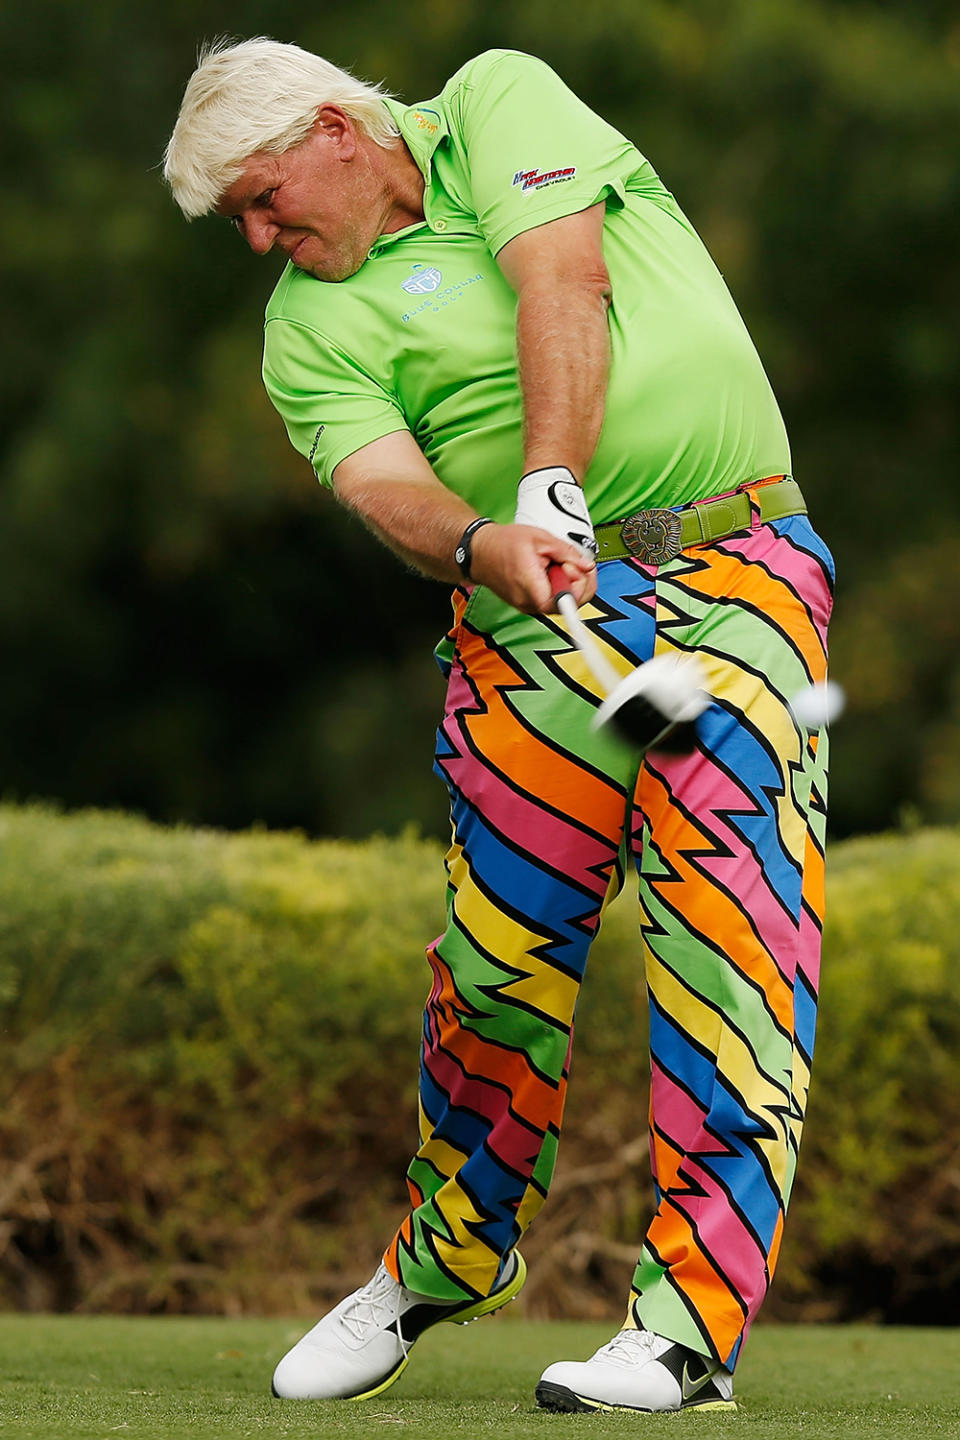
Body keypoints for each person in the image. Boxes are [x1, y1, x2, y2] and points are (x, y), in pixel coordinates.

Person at [164, 38, 833, 1415]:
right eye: (236, 218)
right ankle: (447, 1260)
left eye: (262, 196)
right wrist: (483, 541)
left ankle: (684, 1330)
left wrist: (550, 481)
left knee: (731, 936)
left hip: (735, 570)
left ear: (339, 129)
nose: (257, 236)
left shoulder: (495, 103)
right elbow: (382, 484)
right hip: (526, 618)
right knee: (494, 965)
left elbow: (562, 277)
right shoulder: (306, 322)